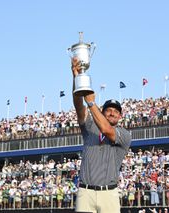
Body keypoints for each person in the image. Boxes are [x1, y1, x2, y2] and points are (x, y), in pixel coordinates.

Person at [72, 58, 132, 213]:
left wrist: (91, 104)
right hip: (85, 192)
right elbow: (79, 106)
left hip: (109, 193)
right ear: (103, 112)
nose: (112, 112)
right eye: (108, 110)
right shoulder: (90, 126)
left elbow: (107, 131)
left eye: (116, 111)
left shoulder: (124, 135)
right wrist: (77, 78)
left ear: (120, 117)